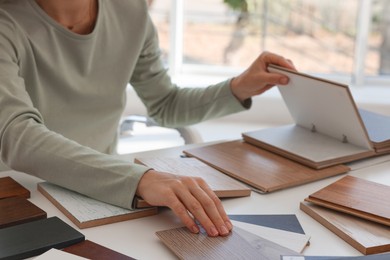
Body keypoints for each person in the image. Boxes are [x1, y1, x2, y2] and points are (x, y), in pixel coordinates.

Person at [0, 0, 295, 237]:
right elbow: (18, 136)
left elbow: (166, 104)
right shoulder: (6, 22)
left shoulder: (131, 11)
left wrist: (238, 87)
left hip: (101, 195)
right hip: (20, 193)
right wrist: (140, 180)